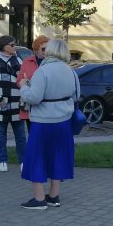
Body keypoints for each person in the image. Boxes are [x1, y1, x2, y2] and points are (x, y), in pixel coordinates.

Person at [18, 39, 78, 210]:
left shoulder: (42, 71)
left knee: (36, 157)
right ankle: (53, 196)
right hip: (64, 121)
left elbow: (33, 98)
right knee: (58, 157)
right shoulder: (70, 71)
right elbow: (76, 95)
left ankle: (39, 199)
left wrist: (23, 86)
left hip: (43, 121)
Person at [0, 35, 26, 172]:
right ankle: (2, 160)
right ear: (4, 46)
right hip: (0, 106)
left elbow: (23, 80)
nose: (15, 47)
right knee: (0, 136)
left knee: (20, 136)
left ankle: (23, 161)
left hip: (16, 105)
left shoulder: (19, 61)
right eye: (12, 45)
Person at [18, 35, 50, 125]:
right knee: (33, 132)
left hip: (48, 104)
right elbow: (19, 80)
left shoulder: (52, 62)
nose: (47, 51)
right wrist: (25, 83)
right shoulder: (27, 61)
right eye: (43, 49)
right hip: (32, 104)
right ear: (36, 50)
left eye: (49, 49)